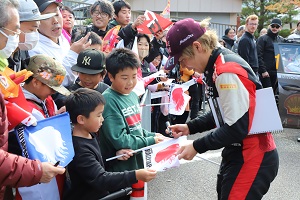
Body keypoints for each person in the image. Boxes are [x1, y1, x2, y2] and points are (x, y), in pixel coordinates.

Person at [164, 18, 279, 199]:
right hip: (239, 151)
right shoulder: (217, 62)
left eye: (183, 60)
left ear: (197, 46)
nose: (184, 66)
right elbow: (224, 112)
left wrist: (197, 145)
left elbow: (237, 127)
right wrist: (191, 127)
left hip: (252, 154)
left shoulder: (226, 70)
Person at [0, 1, 65, 199]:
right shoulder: (23, 104)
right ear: (36, 83)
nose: (17, 38)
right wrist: (35, 170)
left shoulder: (44, 99)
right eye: (14, 31)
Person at [63, 88, 157, 200]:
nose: (102, 119)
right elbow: (101, 179)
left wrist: (116, 155)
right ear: (81, 119)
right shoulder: (80, 149)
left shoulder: (90, 135)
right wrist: (135, 175)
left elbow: (98, 161)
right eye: (98, 115)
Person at [14, 54, 70, 200]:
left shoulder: (45, 98)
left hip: (53, 168)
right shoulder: (18, 107)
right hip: (34, 175)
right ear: (36, 82)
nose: (53, 92)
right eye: (51, 87)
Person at [99, 48, 165, 173]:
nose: (130, 82)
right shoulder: (109, 100)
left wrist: (153, 135)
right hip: (121, 169)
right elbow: (120, 140)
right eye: (124, 78)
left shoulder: (133, 95)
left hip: (137, 164)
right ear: (111, 76)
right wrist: (151, 140)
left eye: (134, 77)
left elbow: (136, 128)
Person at [30, 0, 91, 87]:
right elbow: (54, 81)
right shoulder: (33, 49)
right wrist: (73, 54)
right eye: (47, 17)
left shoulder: (62, 39)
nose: (55, 21)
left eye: (57, 14)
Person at [7, 0, 55, 72]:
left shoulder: (21, 51)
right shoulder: (4, 54)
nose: (35, 34)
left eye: (37, 30)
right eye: (31, 30)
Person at [257, 18, 284, 92]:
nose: (274, 28)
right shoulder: (262, 39)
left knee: (275, 94)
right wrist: (263, 70)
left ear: (280, 28)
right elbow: (259, 55)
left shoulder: (281, 39)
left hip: (277, 72)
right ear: (269, 26)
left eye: (277, 27)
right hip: (266, 72)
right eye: (273, 26)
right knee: (267, 93)